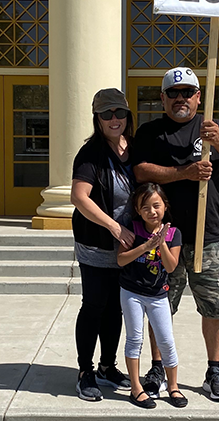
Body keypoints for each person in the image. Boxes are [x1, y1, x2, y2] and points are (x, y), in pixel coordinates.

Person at [132, 67, 219, 402]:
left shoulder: (217, 128)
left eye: (188, 92)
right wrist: (185, 172)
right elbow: (141, 171)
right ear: (163, 98)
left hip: (208, 236)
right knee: (159, 306)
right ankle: (157, 367)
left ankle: (214, 370)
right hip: (164, 237)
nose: (180, 99)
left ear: (199, 97)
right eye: (174, 93)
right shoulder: (152, 132)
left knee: (214, 307)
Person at [71, 88, 135, 402]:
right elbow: (79, 197)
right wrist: (113, 226)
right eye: (106, 114)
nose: (114, 119)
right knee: (94, 306)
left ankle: (108, 367)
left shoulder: (134, 149)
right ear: (97, 118)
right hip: (96, 244)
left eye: (119, 113)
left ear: (127, 115)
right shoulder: (90, 154)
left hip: (127, 248)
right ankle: (86, 371)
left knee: (115, 309)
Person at [117, 182, 188, 409]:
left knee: (166, 340)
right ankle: (137, 388)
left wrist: (162, 243)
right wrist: (146, 246)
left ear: (164, 206)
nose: (152, 211)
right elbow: (121, 259)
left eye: (156, 205)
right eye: (145, 207)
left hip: (158, 296)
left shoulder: (174, 234)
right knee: (134, 339)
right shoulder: (132, 228)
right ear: (138, 210)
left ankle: (173, 386)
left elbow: (170, 266)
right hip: (132, 293)